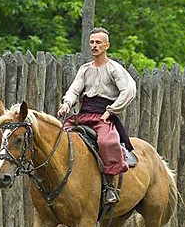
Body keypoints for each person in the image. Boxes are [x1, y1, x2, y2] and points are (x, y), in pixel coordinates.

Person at [57, 27, 136, 205]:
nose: (94, 45)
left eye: (98, 42)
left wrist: (111, 111)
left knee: (107, 142)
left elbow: (129, 90)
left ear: (107, 45)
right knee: (59, 138)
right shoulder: (84, 70)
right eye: (92, 42)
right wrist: (66, 104)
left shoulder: (114, 69)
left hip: (103, 116)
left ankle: (109, 187)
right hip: (84, 114)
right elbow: (74, 90)